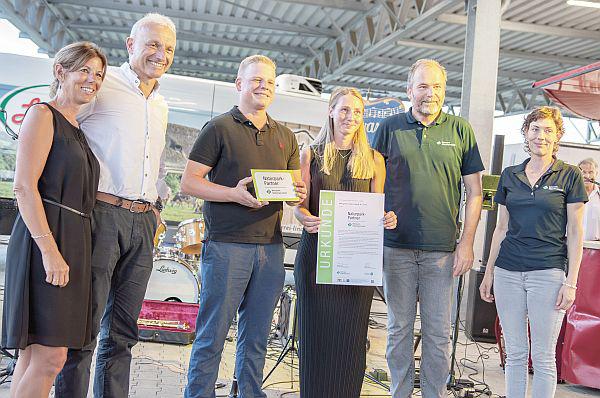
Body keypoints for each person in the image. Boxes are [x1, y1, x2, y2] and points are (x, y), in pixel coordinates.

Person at [54, 13, 176, 398]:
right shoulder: (104, 87)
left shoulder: (161, 104)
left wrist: (156, 210)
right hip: (102, 217)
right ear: (130, 45)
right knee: (84, 327)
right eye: (153, 44)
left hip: (142, 223)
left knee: (123, 332)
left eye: (169, 48)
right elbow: (65, 128)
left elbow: (151, 163)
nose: (161, 54)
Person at [180, 55, 307, 398]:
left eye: (269, 81)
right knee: (213, 334)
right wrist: (234, 195)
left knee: (257, 336)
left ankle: (249, 392)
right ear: (239, 84)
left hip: (270, 248)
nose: (263, 86)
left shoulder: (286, 136)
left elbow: (295, 194)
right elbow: (189, 183)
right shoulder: (219, 128)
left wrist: (298, 194)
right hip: (226, 246)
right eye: (256, 80)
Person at [372, 58, 484, 398]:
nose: (429, 93)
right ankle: (400, 393)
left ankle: (434, 394)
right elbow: (371, 184)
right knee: (398, 329)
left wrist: (466, 243)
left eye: (436, 87)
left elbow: (475, 192)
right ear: (409, 90)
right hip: (396, 247)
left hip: (442, 252)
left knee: (438, 333)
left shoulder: (460, 130)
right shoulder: (389, 128)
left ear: (444, 91)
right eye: (422, 86)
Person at [1, 42, 106, 398]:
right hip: (47, 239)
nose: (92, 80)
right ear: (61, 72)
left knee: (34, 357)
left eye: (98, 75)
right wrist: (49, 250)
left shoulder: (76, 127)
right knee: (50, 358)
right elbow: (24, 187)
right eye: (84, 71)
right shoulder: (43, 115)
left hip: (72, 240)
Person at [293, 87, 397, 398]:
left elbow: (378, 207)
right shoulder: (310, 154)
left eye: (357, 112)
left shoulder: (374, 159)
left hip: (356, 263)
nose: (351, 117)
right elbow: (299, 204)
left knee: (350, 341)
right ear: (331, 112)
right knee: (315, 338)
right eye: (344, 110)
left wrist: (387, 218)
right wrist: (303, 217)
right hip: (317, 256)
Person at [480, 106, 587, 398]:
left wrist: (571, 281)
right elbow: (501, 228)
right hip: (507, 272)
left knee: (542, 356)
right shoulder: (510, 175)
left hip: (548, 273)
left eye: (548, 130)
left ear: (557, 137)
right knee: (514, 354)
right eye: (535, 129)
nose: (541, 136)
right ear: (526, 134)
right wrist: (488, 273)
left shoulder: (569, 175)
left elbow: (575, 233)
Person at [579, 158, 600, 240]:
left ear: (596, 174)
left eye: (591, 172)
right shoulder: (570, 193)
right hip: (571, 245)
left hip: (596, 248)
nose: (587, 176)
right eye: (583, 172)